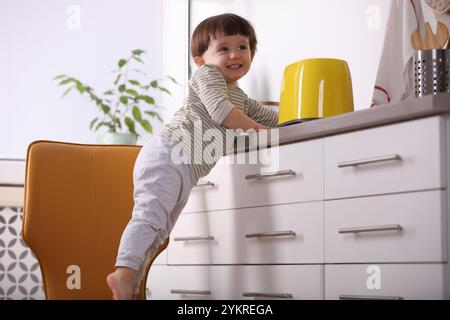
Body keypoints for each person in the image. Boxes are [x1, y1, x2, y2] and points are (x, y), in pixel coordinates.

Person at [106, 13, 279, 300]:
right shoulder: (207, 75)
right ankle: (123, 273)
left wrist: (301, 119)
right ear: (201, 60)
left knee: (160, 231)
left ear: (253, 52)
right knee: (149, 217)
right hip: (169, 153)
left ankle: (130, 287)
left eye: (242, 47)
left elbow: (269, 118)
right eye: (223, 49)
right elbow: (221, 112)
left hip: (186, 168)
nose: (235, 54)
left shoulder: (240, 96)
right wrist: (257, 129)